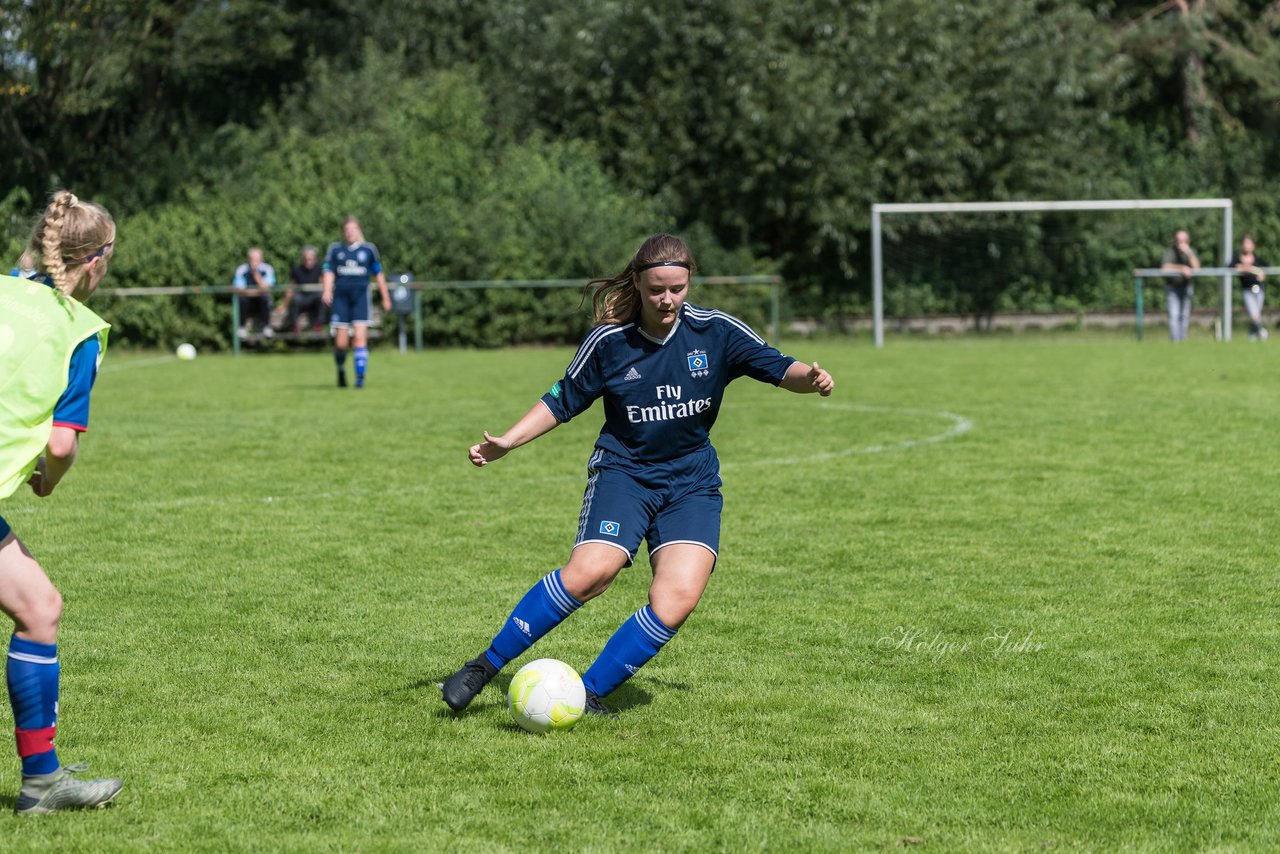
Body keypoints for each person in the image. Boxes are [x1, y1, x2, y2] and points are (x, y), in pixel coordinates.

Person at [441, 233, 835, 716]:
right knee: (591, 574)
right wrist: (507, 441)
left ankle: (588, 694)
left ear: (689, 283)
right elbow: (562, 399)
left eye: (677, 288)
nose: (667, 300)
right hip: (624, 475)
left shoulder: (716, 332)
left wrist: (810, 379)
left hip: (691, 483)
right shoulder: (610, 343)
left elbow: (778, 367)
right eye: (656, 290)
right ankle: (483, 667)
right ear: (638, 285)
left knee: (677, 598)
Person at [0, 191, 124, 814]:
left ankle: (42, 783)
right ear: (95, 263)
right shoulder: (80, 330)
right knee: (40, 609)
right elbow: (61, 443)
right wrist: (46, 480)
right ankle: (42, 783)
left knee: (40, 605)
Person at [321, 217, 391, 388]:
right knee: (341, 343)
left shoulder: (369, 250)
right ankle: (341, 369)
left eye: (353, 229)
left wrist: (386, 297)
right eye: (347, 229)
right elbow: (328, 271)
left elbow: (378, 274)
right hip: (341, 299)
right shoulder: (336, 249)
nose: (350, 232)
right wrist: (327, 290)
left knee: (360, 339)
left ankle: (360, 378)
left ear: (359, 230)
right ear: (343, 231)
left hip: (360, 298)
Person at [1161, 229, 1200, 341]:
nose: (1181, 243)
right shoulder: (1170, 251)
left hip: (1186, 287)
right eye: (1178, 240)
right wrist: (1181, 268)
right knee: (1174, 315)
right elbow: (1165, 267)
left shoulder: (1191, 251)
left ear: (1188, 241)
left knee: (1184, 316)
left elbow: (1196, 268)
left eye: (1183, 240)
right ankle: (1175, 341)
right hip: (1172, 288)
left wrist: (1189, 253)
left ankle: (1182, 340)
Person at [231, 247, 276, 339]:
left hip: (262, 303)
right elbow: (240, 290)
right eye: (252, 259)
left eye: (257, 260)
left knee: (265, 298)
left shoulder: (267, 269)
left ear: (261, 259)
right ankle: (242, 328)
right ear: (248, 259)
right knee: (242, 299)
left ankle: (266, 327)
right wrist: (258, 291)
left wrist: (256, 276)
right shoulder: (241, 270)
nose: (254, 262)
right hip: (248, 303)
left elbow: (266, 289)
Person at [1231, 235, 1268, 341]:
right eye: (1245, 243)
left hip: (1259, 289)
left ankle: (1252, 337)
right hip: (1247, 290)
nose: (1247, 246)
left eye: (1249, 243)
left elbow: (1266, 267)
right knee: (1254, 315)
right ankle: (1262, 332)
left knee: (1256, 314)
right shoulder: (1237, 258)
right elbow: (1230, 266)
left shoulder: (1257, 259)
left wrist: (1262, 274)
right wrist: (1242, 267)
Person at [282, 245, 327, 333]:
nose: (308, 261)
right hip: (301, 298)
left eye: (310, 259)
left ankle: (318, 324)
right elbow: (290, 287)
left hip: (314, 298)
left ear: (315, 259)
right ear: (303, 259)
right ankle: (294, 326)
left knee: (320, 299)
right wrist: (284, 305)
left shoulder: (319, 268)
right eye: (306, 259)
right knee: (295, 299)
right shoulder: (296, 269)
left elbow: (323, 284)